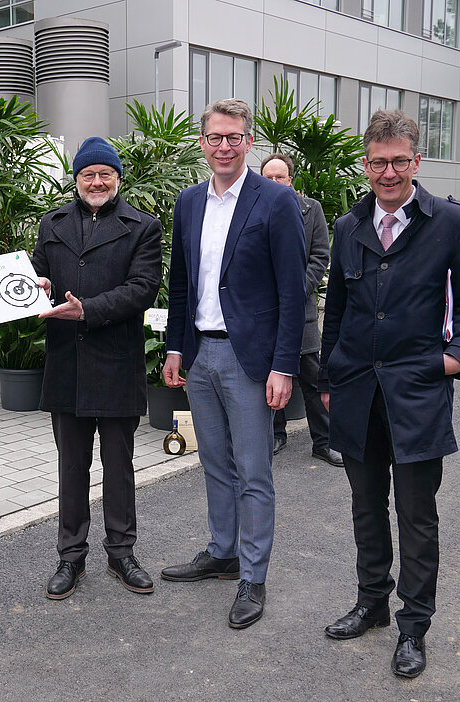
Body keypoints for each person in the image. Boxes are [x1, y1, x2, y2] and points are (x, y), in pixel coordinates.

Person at [319, 109, 460, 678]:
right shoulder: (348, 228)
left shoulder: (451, 223)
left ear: (416, 161)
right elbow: (337, 311)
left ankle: (413, 625)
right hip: (358, 392)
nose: (388, 172)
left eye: (399, 161)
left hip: (418, 392)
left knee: (416, 515)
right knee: (366, 508)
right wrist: (331, 374)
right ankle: (372, 603)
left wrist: (457, 358)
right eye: (377, 162)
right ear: (366, 165)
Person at [159, 98, 306, 629]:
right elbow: (181, 283)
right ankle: (222, 552)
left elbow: (295, 289)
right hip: (199, 353)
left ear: (249, 142)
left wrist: (283, 365)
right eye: (215, 138)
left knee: (254, 470)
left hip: (250, 359)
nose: (224, 146)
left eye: (234, 138)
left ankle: (253, 574)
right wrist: (176, 347)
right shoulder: (188, 202)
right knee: (214, 462)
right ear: (203, 144)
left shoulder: (275, 201)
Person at [32, 137, 162, 600]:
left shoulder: (142, 226)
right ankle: (71, 556)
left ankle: (121, 551)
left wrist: (86, 309)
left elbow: (143, 288)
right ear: (76, 179)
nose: (97, 181)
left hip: (117, 363)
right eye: (88, 174)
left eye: (105, 173)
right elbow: (34, 280)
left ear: (118, 178)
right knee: (71, 466)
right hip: (67, 363)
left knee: (119, 465)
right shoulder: (52, 223)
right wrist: (37, 285)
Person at [259, 152, 342, 467]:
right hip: (266, 313)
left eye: (280, 177)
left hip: (301, 310)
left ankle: (323, 441)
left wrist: (293, 293)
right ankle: (277, 434)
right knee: (271, 375)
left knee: (312, 377)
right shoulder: (254, 210)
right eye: (269, 178)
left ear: (290, 179)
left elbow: (320, 255)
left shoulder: (311, 210)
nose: (275, 182)